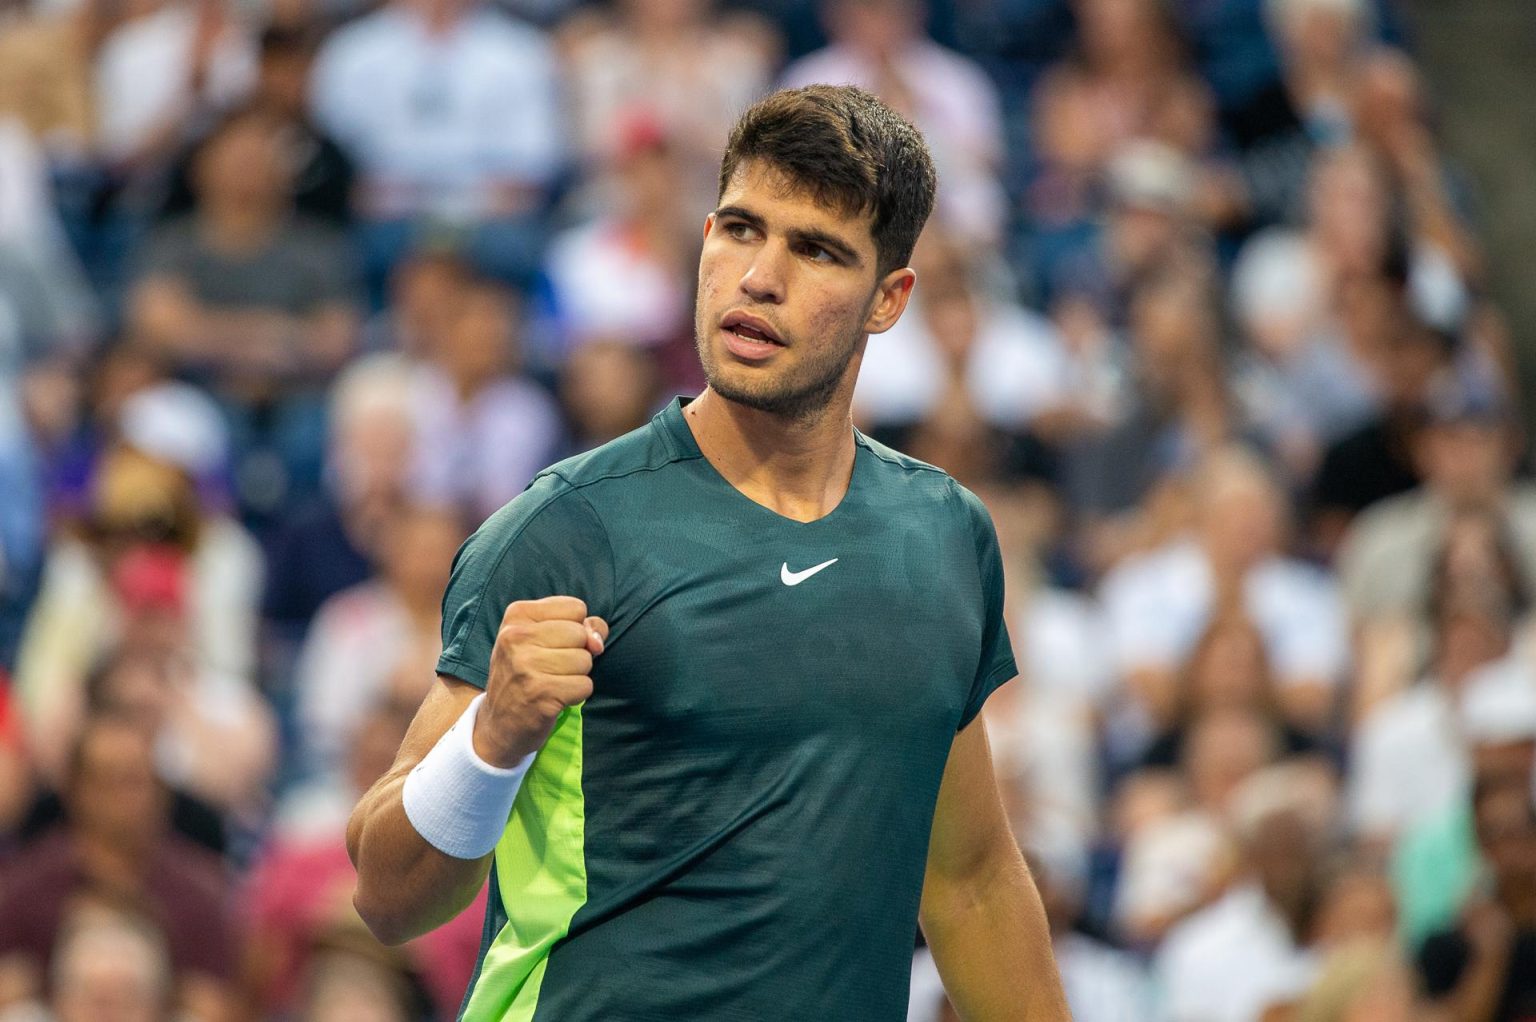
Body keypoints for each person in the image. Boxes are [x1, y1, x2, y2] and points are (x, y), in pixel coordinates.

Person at [347, 85, 1070, 1019]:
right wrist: (489, 744)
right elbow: (389, 894)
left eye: (814, 249)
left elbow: (970, 882)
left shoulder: (944, 538)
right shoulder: (568, 527)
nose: (757, 277)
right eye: (739, 229)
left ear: (889, 299)